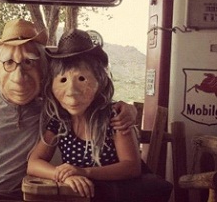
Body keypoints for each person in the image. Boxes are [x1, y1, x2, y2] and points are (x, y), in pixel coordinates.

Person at [0, 19, 137, 202]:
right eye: (9, 63)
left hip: (19, 197)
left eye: (29, 63)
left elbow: (88, 102)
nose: (19, 75)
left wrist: (126, 109)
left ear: (42, 69)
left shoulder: (50, 110)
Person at [27, 29, 173, 202]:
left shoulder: (114, 117)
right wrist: (64, 175)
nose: (72, 92)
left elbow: (131, 166)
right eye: (63, 81)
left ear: (100, 81)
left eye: (82, 79)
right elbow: (33, 163)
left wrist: (84, 172)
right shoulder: (60, 121)